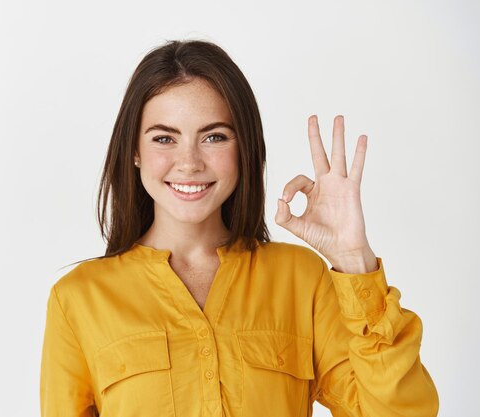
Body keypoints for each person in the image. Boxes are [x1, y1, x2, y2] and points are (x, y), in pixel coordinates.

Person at [39, 39, 439, 417]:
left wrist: (354, 260)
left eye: (214, 136)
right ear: (135, 152)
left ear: (244, 147)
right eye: (164, 138)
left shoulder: (301, 280)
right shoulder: (77, 299)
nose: (190, 162)